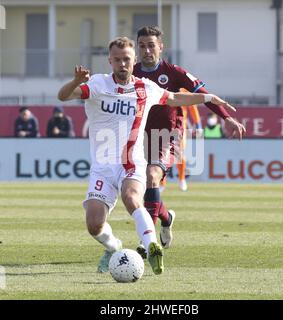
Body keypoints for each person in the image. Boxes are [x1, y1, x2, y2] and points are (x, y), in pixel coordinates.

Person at [57, 36, 242, 276]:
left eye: (126, 59)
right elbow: (63, 96)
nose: (122, 64)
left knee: (132, 197)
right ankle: (114, 247)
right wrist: (74, 81)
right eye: (117, 60)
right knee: (94, 224)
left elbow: (176, 98)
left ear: (133, 61)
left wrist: (208, 97)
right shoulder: (97, 85)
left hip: (132, 162)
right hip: (102, 167)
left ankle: (151, 246)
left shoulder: (146, 87)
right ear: (110, 61)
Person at [133, 26, 245, 254]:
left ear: (160, 47)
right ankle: (166, 218)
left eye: (151, 45)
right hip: (138, 137)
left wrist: (227, 118)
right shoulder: (131, 72)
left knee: (153, 176)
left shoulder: (173, 72)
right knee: (142, 190)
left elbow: (204, 94)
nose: (146, 50)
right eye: (142, 45)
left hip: (168, 136)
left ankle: (147, 243)